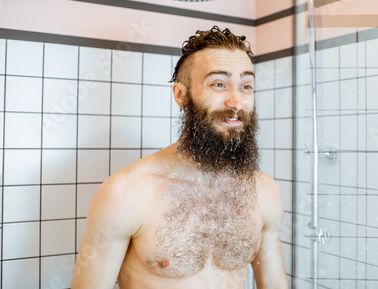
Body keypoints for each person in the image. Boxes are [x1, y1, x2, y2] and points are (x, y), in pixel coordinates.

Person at [71, 26, 288, 289]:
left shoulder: (264, 192)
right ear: (181, 95)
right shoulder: (125, 192)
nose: (236, 102)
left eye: (246, 86)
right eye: (219, 84)